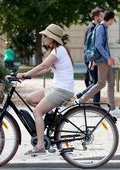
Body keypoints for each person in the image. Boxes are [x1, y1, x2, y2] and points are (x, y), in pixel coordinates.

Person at [17, 24, 74, 156]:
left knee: (37, 112)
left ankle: (40, 145)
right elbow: (46, 69)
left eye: (45, 36)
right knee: (30, 99)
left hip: (62, 90)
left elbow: (43, 65)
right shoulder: (57, 51)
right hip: (56, 87)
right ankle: (52, 119)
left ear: (52, 38)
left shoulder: (58, 51)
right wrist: (28, 76)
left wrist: (25, 74)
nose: (43, 38)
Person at [78, 11, 118, 114]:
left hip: (106, 60)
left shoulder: (104, 28)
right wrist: (107, 57)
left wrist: (109, 58)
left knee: (111, 83)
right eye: (113, 20)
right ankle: (81, 100)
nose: (114, 22)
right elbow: (98, 45)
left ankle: (112, 108)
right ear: (111, 19)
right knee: (101, 83)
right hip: (102, 60)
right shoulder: (100, 28)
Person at [76, 8, 104, 103]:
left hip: (92, 58)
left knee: (97, 82)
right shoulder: (92, 28)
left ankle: (94, 102)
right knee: (97, 82)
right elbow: (90, 46)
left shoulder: (95, 27)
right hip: (91, 59)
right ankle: (90, 100)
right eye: (101, 16)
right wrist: (92, 61)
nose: (103, 18)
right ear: (96, 17)